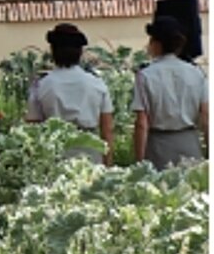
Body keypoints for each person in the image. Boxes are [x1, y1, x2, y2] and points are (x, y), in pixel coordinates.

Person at [26, 24, 115, 162]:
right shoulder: (97, 84)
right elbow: (107, 129)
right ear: (80, 52)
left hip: (55, 155)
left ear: (53, 52)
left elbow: (32, 129)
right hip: (90, 154)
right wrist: (108, 163)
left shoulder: (40, 87)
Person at [132, 15, 208, 167]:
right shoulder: (196, 73)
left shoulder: (145, 75)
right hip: (189, 142)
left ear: (157, 44)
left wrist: (139, 162)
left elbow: (142, 123)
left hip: (158, 146)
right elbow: (206, 116)